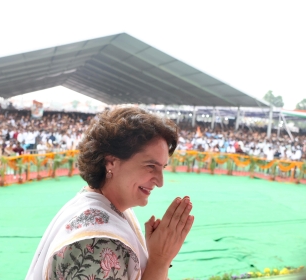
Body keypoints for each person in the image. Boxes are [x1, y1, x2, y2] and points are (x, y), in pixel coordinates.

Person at [26, 107, 195, 280]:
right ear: (111, 162)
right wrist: (160, 261)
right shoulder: (96, 244)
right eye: (150, 166)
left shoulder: (105, 207)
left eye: (163, 168)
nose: (160, 182)